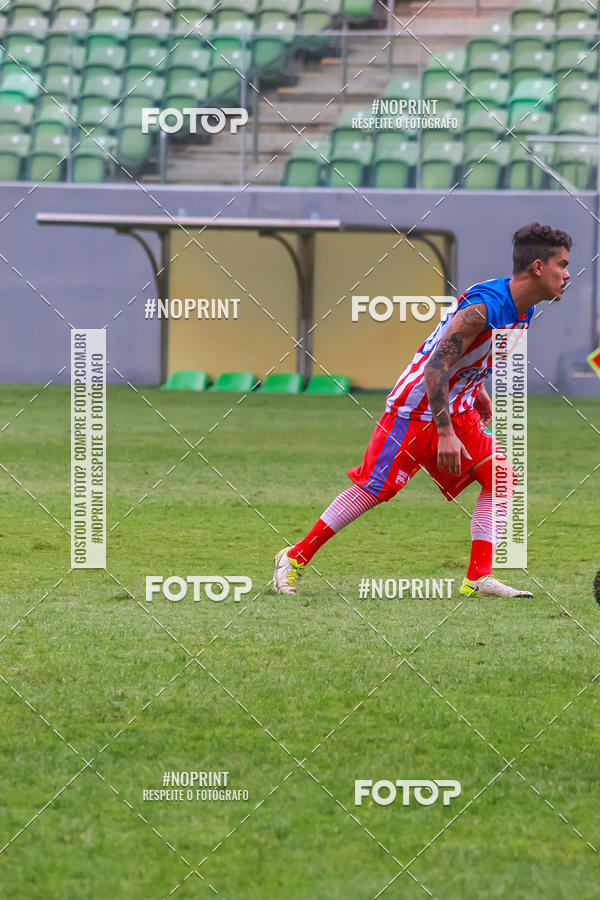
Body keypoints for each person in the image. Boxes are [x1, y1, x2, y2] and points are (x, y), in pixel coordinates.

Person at [273, 222, 571, 597]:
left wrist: (476, 390)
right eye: (562, 264)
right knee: (374, 490)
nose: (567, 274)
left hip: (456, 405)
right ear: (539, 268)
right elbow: (435, 367)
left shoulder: (522, 310)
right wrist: (446, 433)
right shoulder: (483, 308)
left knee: (502, 481)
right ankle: (294, 556)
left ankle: (478, 578)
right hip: (414, 409)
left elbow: (465, 359)